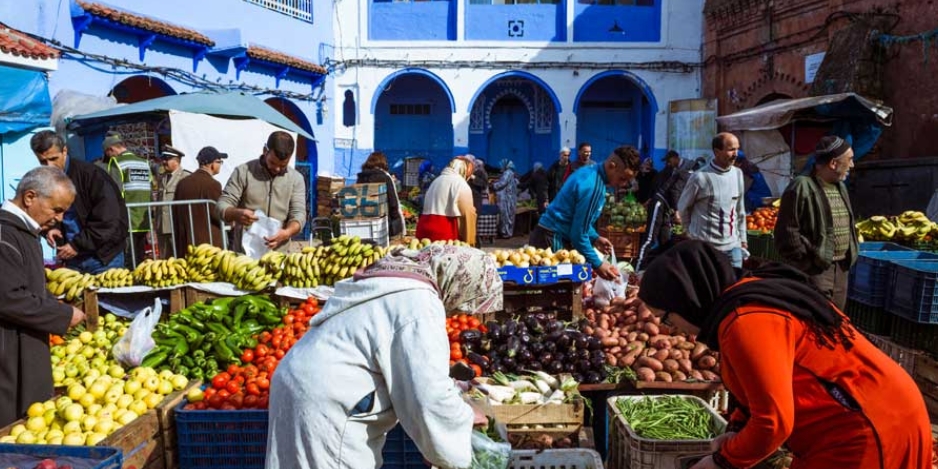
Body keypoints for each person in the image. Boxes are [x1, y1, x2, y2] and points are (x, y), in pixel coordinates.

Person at [637, 240, 932, 469]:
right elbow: (762, 391)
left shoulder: (745, 320)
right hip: (874, 409)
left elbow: (774, 422)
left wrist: (722, 462)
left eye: (665, 317)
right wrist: (736, 430)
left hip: (866, 426)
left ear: (686, 298)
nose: (671, 330)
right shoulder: (748, 297)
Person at [266, 245, 501, 469]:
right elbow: (427, 392)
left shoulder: (392, 280)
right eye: (467, 303)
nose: (460, 311)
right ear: (462, 285)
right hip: (327, 400)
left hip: (301, 381)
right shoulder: (419, 302)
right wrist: (463, 416)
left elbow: (398, 360)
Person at [0, 166, 85, 426]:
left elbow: (27, 287)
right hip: (8, 350)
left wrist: (54, 304)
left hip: (25, 343)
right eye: (56, 209)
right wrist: (62, 314)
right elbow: (9, 297)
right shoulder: (5, 234)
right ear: (29, 197)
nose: (59, 218)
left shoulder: (23, 232)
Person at [529, 145, 640, 280]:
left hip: (545, 233)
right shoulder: (593, 186)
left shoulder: (588, 172)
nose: (623, 185)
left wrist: (595, 237)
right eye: (623, 179)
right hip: (553, 239)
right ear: (612, 166)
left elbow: (575, 217)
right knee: (556, 292)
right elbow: (578, 235)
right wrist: (598, 264)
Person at [774, 136, 858, 310]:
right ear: (833, 163)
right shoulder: (801, 186)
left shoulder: (840, 187)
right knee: (815, 320)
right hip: (816, 271)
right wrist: (807, 262)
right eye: (849, 160)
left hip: (841, 270)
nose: (852, 165)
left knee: (835, 320)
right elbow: (786, 232)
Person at [30, 131, 128, 274]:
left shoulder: (92, 175)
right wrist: (51, 228)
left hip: (102, 257)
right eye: (43, 162)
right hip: (72, 259)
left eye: (53, 159)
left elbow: (108, 218)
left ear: (64, 151)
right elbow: (47, 212)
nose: (49, 166)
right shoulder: (45, 180)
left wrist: (77, 245)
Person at [217, 131, 307, 252]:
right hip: (244, 256)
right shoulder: (243, 172)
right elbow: (222, 205)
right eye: (273, 163)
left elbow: (299, 214)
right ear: (265, 150)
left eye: (283, 165)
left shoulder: (296, 179)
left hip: (277, 257)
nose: (277, 168)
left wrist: (286, 233)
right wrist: (236, 213)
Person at [678, 133, 747, 270]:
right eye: (731, 149)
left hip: (733, 248)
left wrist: (743, 240)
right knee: (706, 289)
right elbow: (683, 208)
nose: (736, 154)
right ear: (717, 152)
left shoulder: (737, 174)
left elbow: (740, 210)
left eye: (737, 149)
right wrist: (690, 233)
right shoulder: (700, 177)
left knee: (733, 288)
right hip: (705, 250)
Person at [636, 152, 705, 269]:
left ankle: (659, 268)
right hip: (659, 203)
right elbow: (674, 191)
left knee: (666, 240)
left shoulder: (691, 175)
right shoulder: (688, 174)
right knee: (650, 238)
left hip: (667, 208)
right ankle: (638, 267)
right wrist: (677, 211)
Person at [101, 131, 154, 265]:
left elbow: (115, 192)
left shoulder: (116, 162)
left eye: (107, 153)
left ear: (111, 149)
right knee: (140, 257)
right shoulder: (144, 163)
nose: (107, 157)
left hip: (126, 219)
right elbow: (150, 189)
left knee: (128, 259)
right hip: (144, 219)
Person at [173, 147, 228, 253]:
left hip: (185, 244)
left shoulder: (182, 183)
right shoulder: (213, 184)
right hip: (208, 246)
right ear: (212, 164)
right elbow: (218, 213)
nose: (220, 165)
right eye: (219, 162)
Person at [415, 157, 477, 245]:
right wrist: (470, 241)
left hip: (424, 228)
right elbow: (467, 213)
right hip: (445, 232)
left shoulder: (436, 180)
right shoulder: (460, 183)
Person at [356, 151, 405, 239]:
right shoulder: (385, 177)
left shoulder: (361, 177)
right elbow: (393, 201)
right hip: (384, 223)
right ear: (383, 162)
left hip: (364, 222)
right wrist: (396, 221)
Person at [155, 145, 191, 258]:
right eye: (163, 159)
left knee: (180, 258)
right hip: (162, 227)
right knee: (165, 261)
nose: (164, 162)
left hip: (176, 226)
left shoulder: (185, 177)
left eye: (167, 159)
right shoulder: (162, 178)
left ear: (176, 160)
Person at [492, 159, 518, 239]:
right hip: (510, 198)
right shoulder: (511, 173)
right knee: (508, 215)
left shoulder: (507, 173)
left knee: (505, 215)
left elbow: (502, 183)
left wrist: (493, 185)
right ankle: (507, 232)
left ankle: (505, 233)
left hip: (506, 199)